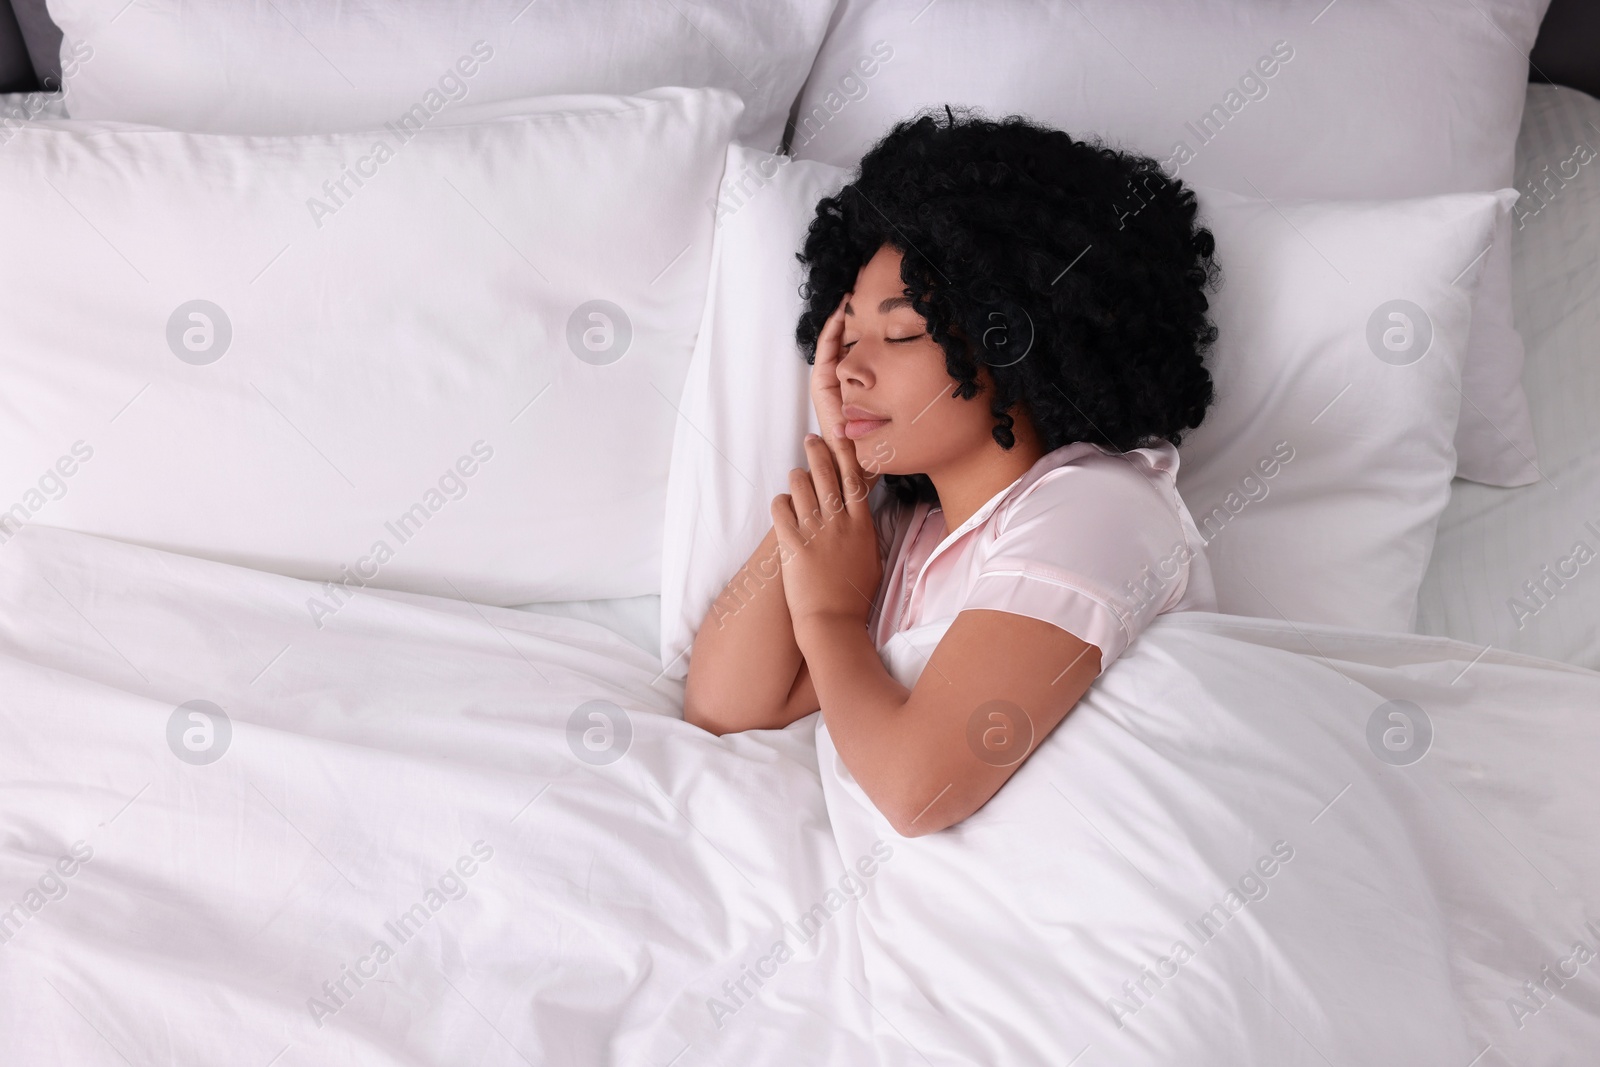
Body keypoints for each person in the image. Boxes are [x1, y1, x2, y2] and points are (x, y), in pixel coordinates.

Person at [683, 105, 1222, 837]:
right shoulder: (909, 538)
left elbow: (920, 789)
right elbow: (726, 708)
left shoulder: (1101, 505)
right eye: (844, 337)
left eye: (901, 333)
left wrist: (831, 616)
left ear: (1013, 344)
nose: (848, 369)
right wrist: (843, 464)